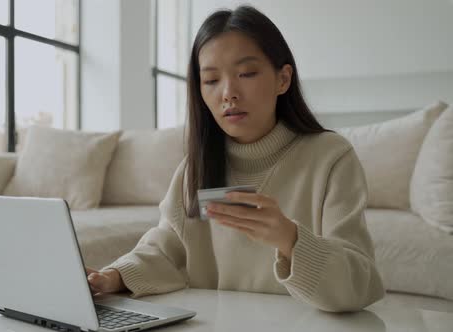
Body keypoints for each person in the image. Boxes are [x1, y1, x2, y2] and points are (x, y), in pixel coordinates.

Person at [86, 5, 385, 312]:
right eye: (211, 80)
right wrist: (113, 276)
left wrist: (291, 239)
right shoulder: (196, 167)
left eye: (246, 73)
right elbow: (167, 248)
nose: (228, 93)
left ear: (283, 79)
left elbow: (360, 283)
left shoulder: (331, 157)